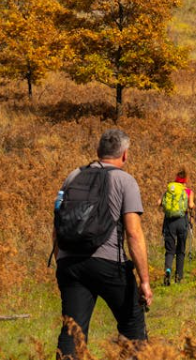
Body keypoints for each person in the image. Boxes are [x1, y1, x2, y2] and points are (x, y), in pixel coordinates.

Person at [53, 129, 151, 359]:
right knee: (132, 326)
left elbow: (57, 225)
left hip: (70, 263)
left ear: (98, 151)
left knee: (72, 331)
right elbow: (133, 233)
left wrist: (62, 262)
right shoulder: (125, 181)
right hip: (109, 264)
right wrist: (144, 280)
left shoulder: (73, 176)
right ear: (124, 155)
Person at [160, 169, 194, 286]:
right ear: (185, 180)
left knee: (170, 250)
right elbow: (191, 205)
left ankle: (167, 270)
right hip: (182, 221)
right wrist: (193, 206)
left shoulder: (169, 189)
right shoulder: (188, 191)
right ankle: (178, 277)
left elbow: (159, 202)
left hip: (169, 222)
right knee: (181, 250)